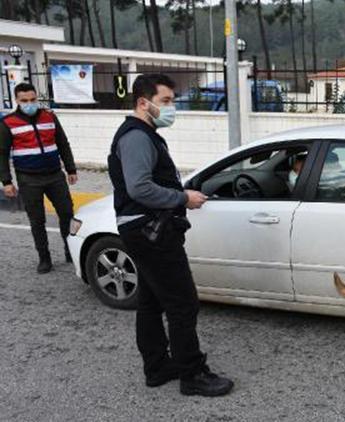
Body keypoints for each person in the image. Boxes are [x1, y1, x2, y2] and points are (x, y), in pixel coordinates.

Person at [108, 74, 233, 396]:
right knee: (183, 303)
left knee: (151, 301)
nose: (171, 108)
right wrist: (182, 198)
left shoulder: (145, 134)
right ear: (142, 102)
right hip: (151, 232)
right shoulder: (136, 136)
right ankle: (193, 374)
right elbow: (140, 187)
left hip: (145, 229)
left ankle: (158, 366)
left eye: (172, 101)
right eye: (165, 101)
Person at [0, 82, 77, 274]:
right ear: (17, 100)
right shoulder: (8, 123)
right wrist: (6, 182)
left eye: (33, 99)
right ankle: (44, 258)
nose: (30, 103)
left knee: (67, 214)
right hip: (28, 179)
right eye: (24, 100)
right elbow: (1, 154)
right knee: (37, 220)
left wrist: (71, 169)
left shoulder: (49, 117)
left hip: (55, 176)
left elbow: (63, 143)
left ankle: (71, 251)